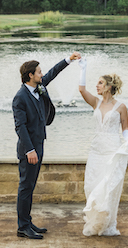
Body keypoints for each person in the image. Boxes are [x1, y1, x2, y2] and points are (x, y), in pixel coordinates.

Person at [13, 51, 81, 240]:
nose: (42, 75)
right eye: (39, 72)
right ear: (30, 76)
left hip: (39, 144)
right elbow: (20, 127)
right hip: (29, 150)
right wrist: (30, 150)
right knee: (25, 187)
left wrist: (69, 60)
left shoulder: (39, 87)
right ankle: (22, 227)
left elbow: (53, 72)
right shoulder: (20, 98)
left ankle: (27, 221)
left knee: (31, 186)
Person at [77, 58, 128, 236]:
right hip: (96, 150)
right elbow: (81, 89)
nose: (97, 86)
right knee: (92, 185)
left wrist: (127, 140)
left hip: (112, 150)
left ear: (109, 86)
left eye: (100, 83)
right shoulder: (96, 102)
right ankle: (95, 222)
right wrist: (83, 69)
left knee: (108, 188)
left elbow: (125, 128)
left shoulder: (121, 107)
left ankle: (107, 224)